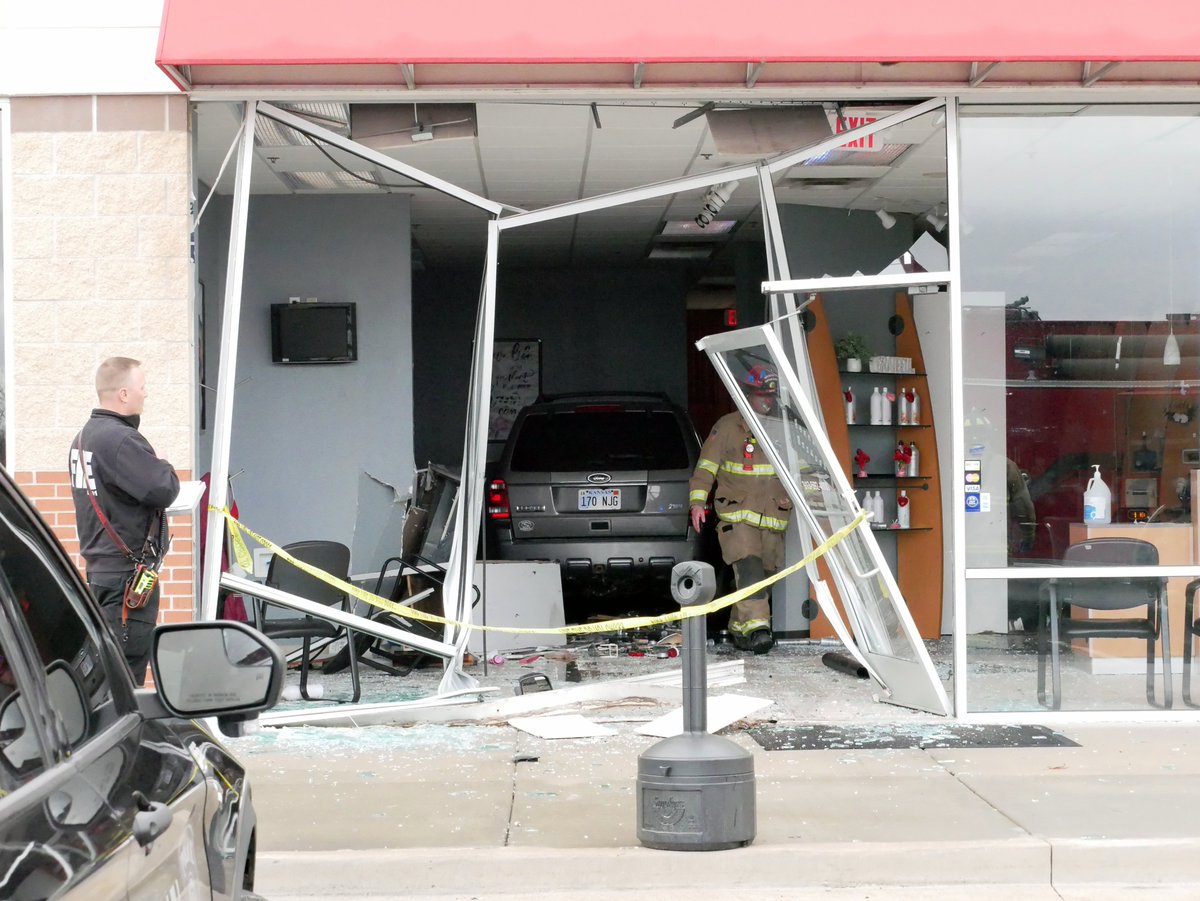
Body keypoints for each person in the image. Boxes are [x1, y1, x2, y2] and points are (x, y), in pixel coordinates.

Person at [68, 357, 179, 685]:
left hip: (104, 573)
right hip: (127, 579)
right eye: (142, 387)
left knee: (107, 670)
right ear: (123, 394)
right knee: (126, 676)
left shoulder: (84, 437)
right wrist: (166, 465)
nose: (147, 394)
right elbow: (164, 487)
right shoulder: (119, 440)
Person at [688, 364, 792, 654]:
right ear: (747, 396)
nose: (767, 401)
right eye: (761, 396)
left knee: (767, 574)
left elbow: (803, 471)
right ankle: (759, 630)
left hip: (773, 516)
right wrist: (698, 502)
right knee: (750, 570)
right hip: (737, 517)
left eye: (770, 396)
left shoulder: (782, 430)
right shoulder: (727, 427)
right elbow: (705, 469)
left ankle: (739, 628)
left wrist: (804, 497)